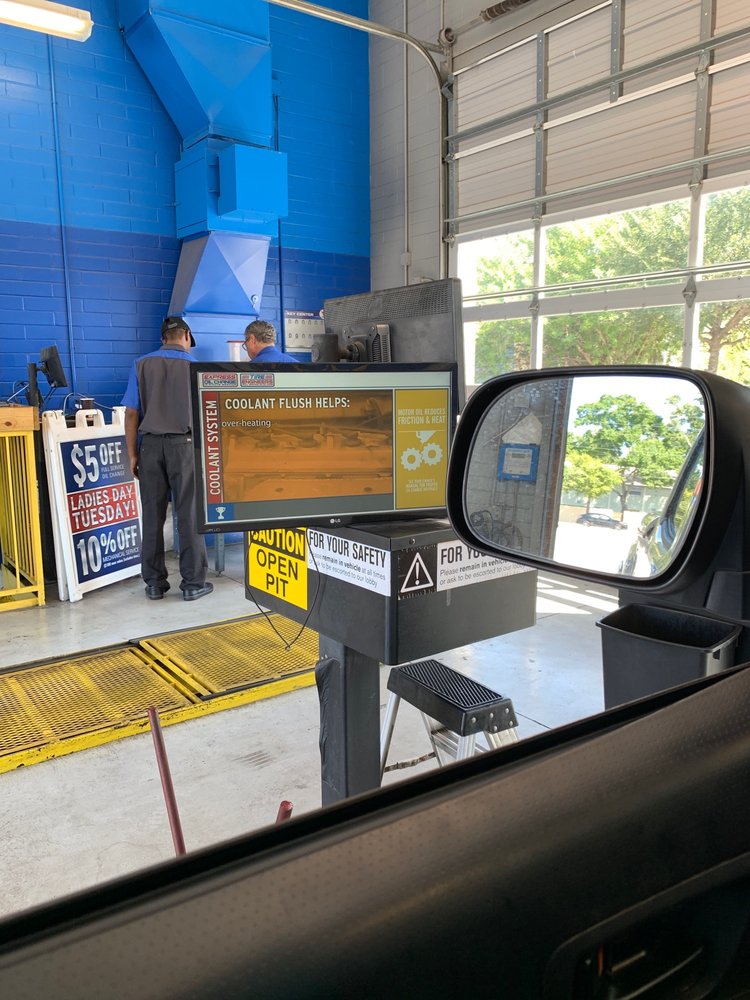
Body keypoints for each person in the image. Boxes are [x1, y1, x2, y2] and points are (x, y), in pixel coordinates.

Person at [122, 316, 213, 602]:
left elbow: (131, 414)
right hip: (185, 447)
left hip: (149, 447)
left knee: (152, 516)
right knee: (189, 515)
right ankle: (193, 583)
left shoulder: (140, 364)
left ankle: (154, 583)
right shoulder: (196, 368)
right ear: (186, 336)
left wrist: (132, 454)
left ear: (163, 338)